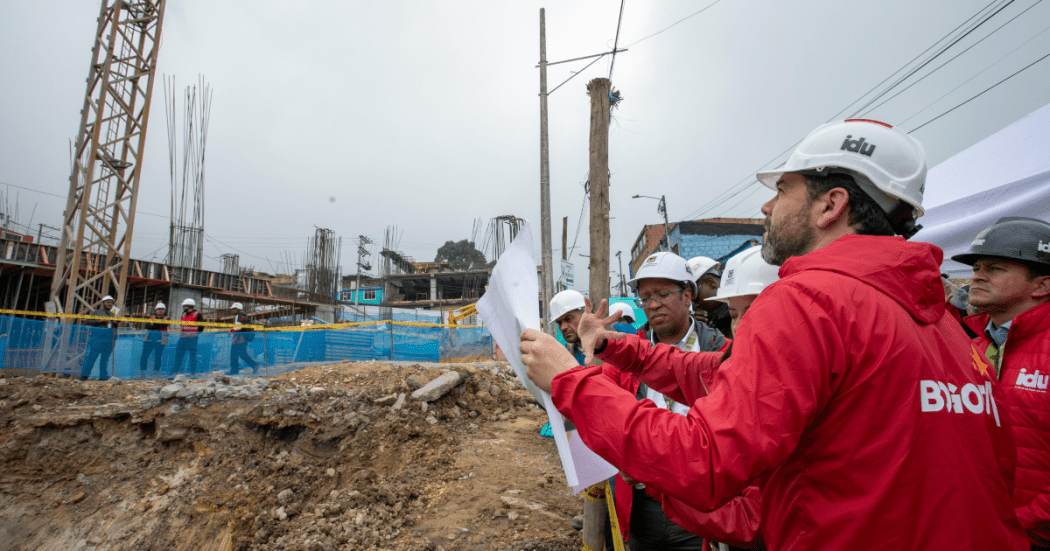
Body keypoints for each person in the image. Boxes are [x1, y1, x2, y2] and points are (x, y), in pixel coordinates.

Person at [521, 119, 1027, 549]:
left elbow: (705, 460)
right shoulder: (946, 327)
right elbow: (721, 374)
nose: (766, 208)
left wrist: (572, 382)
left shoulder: (811, 300)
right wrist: (617, 350)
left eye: (782, 190)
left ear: (831, 205)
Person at [604, 251, 729, 551]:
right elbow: (606, 410)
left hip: (702, 505)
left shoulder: (720, 351)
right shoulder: (622, 354)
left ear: (687, 295)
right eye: (645, 297)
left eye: (661, 293)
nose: (653, 304)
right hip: (642, 505)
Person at [952, 217, 1050, 550]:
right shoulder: (970, 349)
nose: (977, 275)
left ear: (1041, 286)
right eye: (978, 266)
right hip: (981, 530)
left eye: (995, 268)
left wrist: (1026, 523)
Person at [687, 256, 732, 338]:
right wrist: (697, 331)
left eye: (695, 297)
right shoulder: (710, 318)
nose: (695, 305)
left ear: (710, 283)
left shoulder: (735, 314)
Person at [80, 295, 118, 380]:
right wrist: (99, 321)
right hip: (97, 339)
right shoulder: (96, 312)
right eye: (108, 302)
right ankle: (84, 376)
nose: (110, 304)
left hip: (109, 340)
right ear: (103, 303)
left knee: (105, 360)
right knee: (92, 358)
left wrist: (115, 325)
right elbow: (87, 322)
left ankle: (103, 376)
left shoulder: (112, 314)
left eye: (111, 303)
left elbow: (115, 328)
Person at [174, 298, 204, 376]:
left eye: (184, 306)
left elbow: (201, 327)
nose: (183, 307)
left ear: (189, 306)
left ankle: (192, 372)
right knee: (178, 355)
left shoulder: (197, 314)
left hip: (192, 339)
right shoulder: (183, 315)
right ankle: (175, 372)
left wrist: (194, 334)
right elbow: (182, 326)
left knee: (192, 356)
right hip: (182, 339)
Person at [140, 302, 169, 378]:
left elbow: (164, 325)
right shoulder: (151, 317)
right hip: (149, 340)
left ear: (164, 310)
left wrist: (153, 325)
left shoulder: (167, 318)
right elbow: (147, 326)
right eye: (159, 309)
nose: (160, 311)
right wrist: (157, 325)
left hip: (161, 340)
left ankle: (155, 372)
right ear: (156, 310)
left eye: (162, 309)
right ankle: (143, 372)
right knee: (144, 356)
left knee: (158, 356)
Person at [229, 302, 258, 375]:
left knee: (234, 354)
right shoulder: (243, 316)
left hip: (239, 339)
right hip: (243, 339)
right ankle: (254, 365)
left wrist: (232, 330)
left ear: (237, 309)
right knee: (242, 354)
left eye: (233, 309)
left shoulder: (238, 316)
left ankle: (234, 371)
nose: (232, 311)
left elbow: (238, 327)